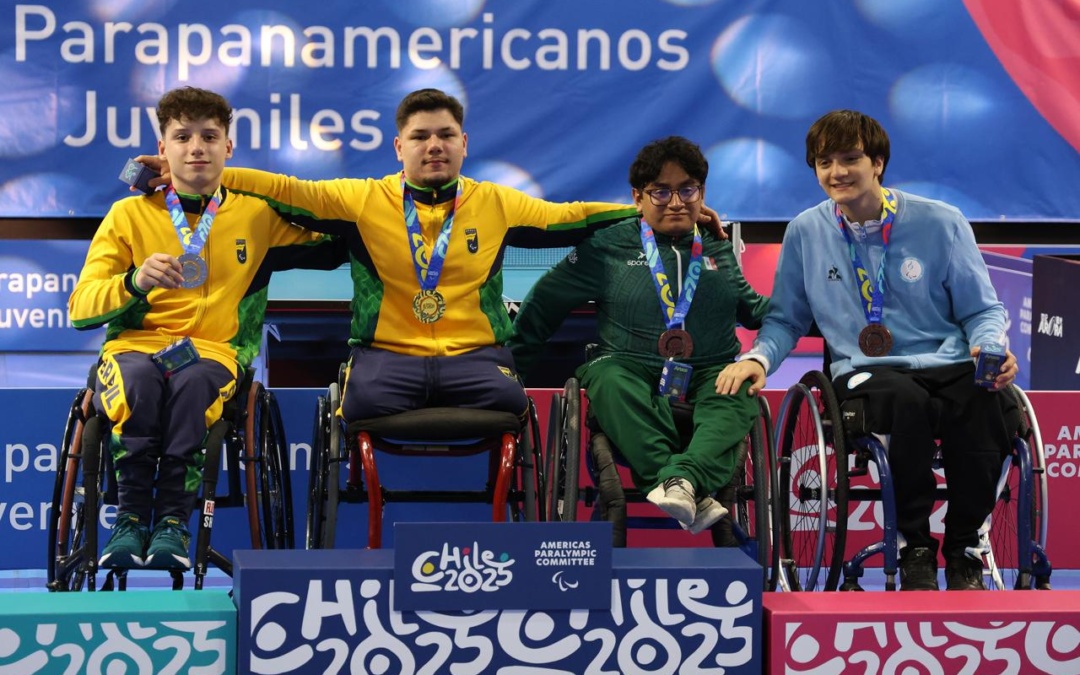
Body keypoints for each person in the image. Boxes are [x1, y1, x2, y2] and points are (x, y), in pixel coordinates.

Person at [137, 88, 722, 426]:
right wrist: (208, 173)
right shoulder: (362, 200)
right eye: (420, 136)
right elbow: (289, 189)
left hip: (475, 358)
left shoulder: (496, 202)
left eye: (445, 135)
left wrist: (660, 210)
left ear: (464, 144)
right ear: (400, 147)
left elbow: (571, 216)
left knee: (512, 402)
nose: (434, 145)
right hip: (386, 360)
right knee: (358, 404)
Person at [715, 109, 1019, 590]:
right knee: (904, 400)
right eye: (824, 162)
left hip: (949, 361)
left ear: (877, 163)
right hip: (865, 370)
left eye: (850, 158)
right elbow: (786, 319)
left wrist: (989, 348)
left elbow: (982, 309)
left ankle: (965, 547)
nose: (836, 172)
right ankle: (914, 545)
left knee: (988, 400)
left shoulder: (942, 222)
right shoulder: (805, 231)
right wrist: (758, 358)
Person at [69, 87, 344, 570]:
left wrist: (242, 183)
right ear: (163, 149)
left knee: (194, 382)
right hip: (134, 349)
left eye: (209, 137)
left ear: (228, 147)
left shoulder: (258, 214)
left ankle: (172, 522)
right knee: (138, 382)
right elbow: (80, 310)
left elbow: (338, 228)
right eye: (182, 137)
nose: (196, 147)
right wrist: (134, 282)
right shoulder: (127, 214)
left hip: (215, 352)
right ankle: (130, 519)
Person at [509, 136, 768, 534]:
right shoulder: (608, 246)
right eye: (660, 192)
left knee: (738, 389)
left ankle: (679, 480)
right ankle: (682, 482)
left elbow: (752, 308)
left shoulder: (716, 244)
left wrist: (811, 309)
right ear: (637, 197)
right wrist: (513, 372)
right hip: (629, 367)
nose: (676, 202)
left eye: (687, 190)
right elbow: (544, 303)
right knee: (608, 378)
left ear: (702, 193)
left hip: (709, 371)